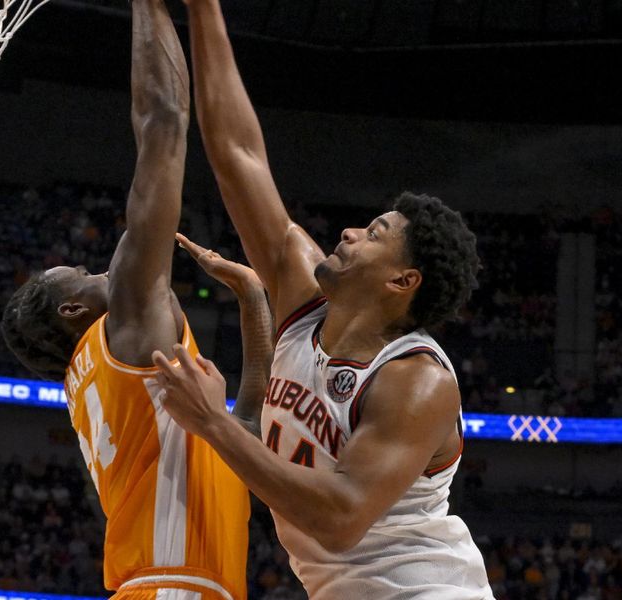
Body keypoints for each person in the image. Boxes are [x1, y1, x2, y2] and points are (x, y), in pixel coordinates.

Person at [151, 0, 494, 598]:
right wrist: (203, 10)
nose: (349, 232)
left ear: (402, 281)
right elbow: (238, 155)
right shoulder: (302, 303)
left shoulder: (415, 381)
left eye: (374, 235)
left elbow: (340, 519)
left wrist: (211, 420)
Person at [0, 1, 272, 597]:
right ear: (73, 310)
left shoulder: (115, 370)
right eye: (75, 271)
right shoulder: (122, 326)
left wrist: (253, 301)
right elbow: (164, 119)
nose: (95, 267)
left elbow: (245, 434)